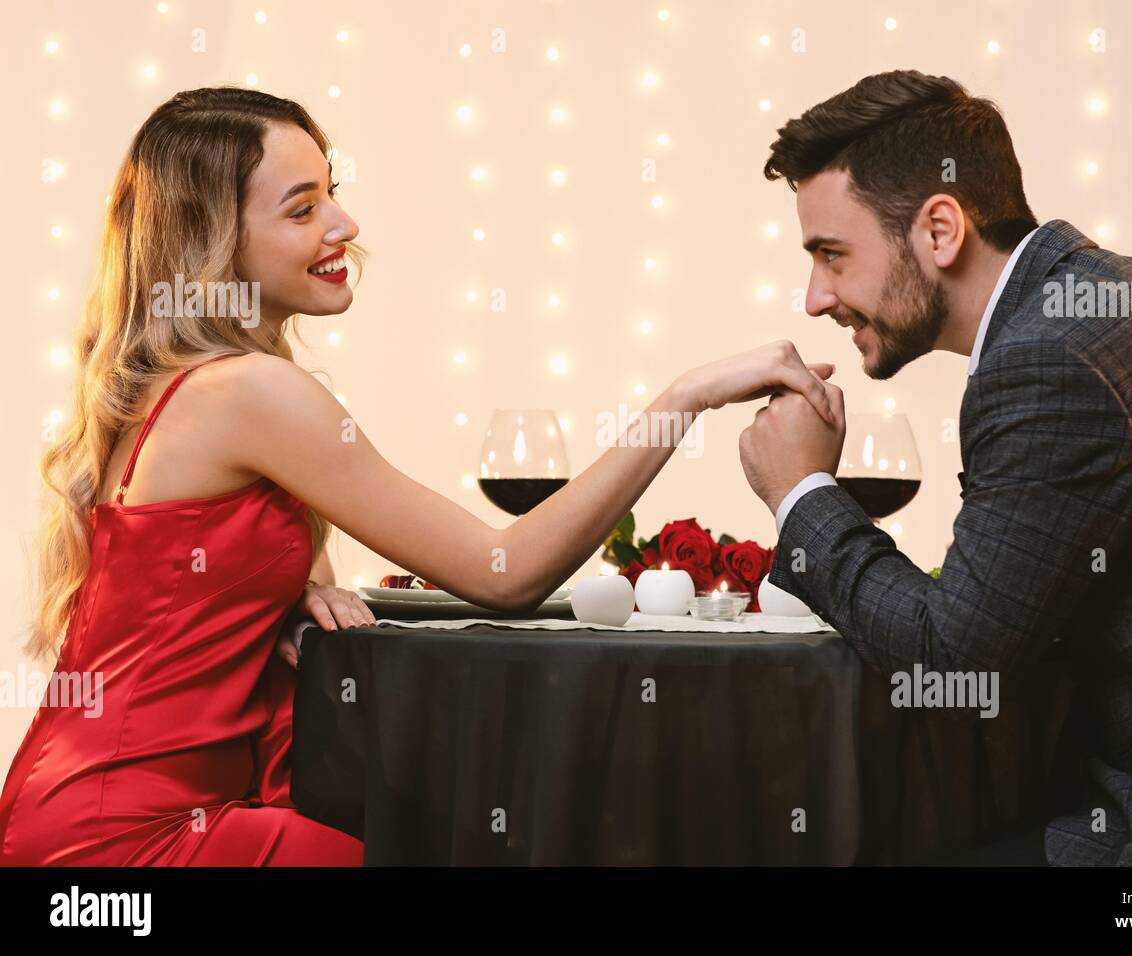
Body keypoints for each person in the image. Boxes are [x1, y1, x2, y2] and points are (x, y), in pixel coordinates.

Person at [0, 87, 837, 866]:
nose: (343, 222)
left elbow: (179, 587)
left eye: (331, 190)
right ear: (216, 243)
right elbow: (502, 573)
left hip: (72, 813)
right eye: (303, 208)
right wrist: (683, 398)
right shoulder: (247, 392)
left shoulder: (180, 388)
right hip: (129, 841)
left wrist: (289, 590)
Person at [740, 69, 1132, 865]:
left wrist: (801, 493)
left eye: (832, 255)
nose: (815, 298)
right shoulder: (1124, 301)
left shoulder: (1051, 359)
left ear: (940, 229)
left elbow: (954, 661)